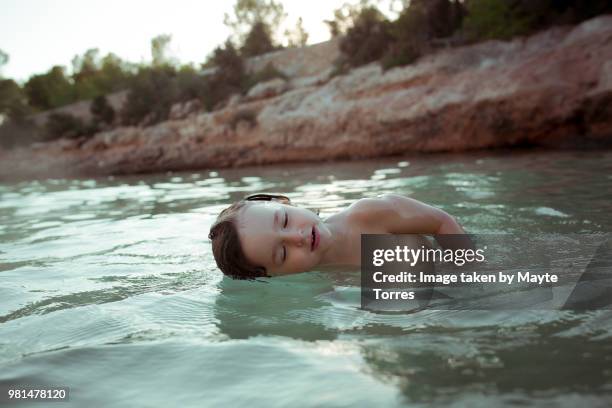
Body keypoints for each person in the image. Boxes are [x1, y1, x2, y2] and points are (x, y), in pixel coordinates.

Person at [209, 193, 468, 279]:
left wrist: (466, 274)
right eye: (283, 253)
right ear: (275, 277)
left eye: (285, 219)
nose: (296, 237)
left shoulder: (369, 215)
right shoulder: (324, 287)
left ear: (283, 201)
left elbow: (443, 222)